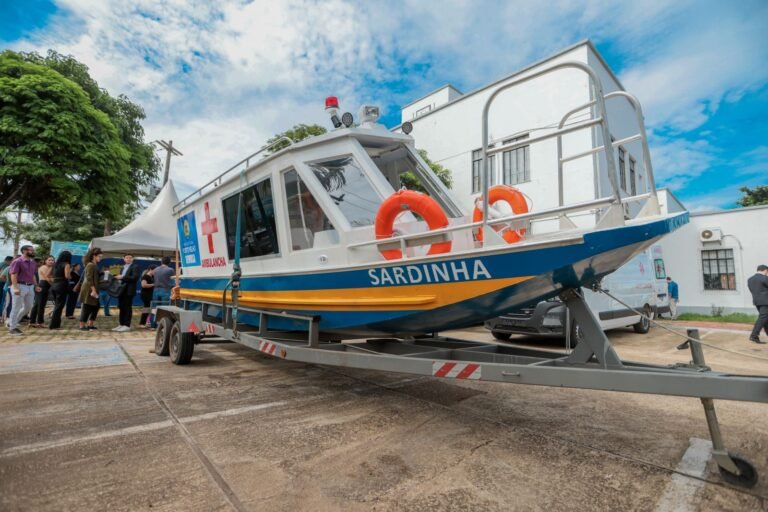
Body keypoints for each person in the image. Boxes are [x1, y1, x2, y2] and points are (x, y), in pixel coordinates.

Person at [7, 245, 39, 336]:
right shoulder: (17, 261)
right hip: (20, 285)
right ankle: (12, 328)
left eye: (33, 250)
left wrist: (36, 285)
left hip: (30, 286)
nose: (33, 252)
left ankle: (11, 322)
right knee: (16, 307)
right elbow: (13, 275)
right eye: (31, 250)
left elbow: (33, 275)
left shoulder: (32, 262)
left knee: (28, 307)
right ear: (24, 251)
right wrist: (16, 287)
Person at [79, 248, 103, 331]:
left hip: (93, 288)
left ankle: (90, 324)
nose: (100, 258)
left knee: (96, 306)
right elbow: (89, 278)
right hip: (89, 288)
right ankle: (82, 325)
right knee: (87, 307)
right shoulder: (90, 265)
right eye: (99, 256)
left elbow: (94, 277)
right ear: (94, 256)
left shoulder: (94, 265)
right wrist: (93, 290)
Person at [114, 254, 140, 332]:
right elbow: (119, 277)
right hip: (121, 290)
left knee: (127, 307)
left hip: (129, 290)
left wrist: (122, 277)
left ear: (133, 259)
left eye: (130, 258)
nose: (128, 259)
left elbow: (135, 277)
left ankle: (127, 325)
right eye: (127, 258)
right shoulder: (122, 267)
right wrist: (117, 278)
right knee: (121, 307)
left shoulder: (135, 267)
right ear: (124, 259)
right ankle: (121, 324)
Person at [48, 251, 72, 329]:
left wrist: (54, 280)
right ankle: (54, 325)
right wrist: (70, 276)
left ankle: (56, 324)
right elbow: (67, 276)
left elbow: (48, 275)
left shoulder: (55, 264)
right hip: (62, 285)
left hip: (54, 285)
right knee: (59, 306)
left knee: (57, 305)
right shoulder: (66, 264)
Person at [29, 255, 54, 327]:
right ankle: (40, 322)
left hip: (45, 286)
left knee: (37, 305)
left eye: (52, 260)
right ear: (45, 261)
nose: (51, 261)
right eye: (49, 260)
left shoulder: (49, 268)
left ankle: (32, 321)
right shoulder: (44, 267)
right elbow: (47, 278)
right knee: (40, 305)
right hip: (42, 286)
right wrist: (53, 285)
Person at [747, 264, 768, 344]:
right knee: (763, 318)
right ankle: (754, 335)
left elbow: (752, 290)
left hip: (757, 301)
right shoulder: (765, 278)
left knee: (765, 319)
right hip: (766, 302)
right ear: (765, 270)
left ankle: (755, 336)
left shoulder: (750, 279)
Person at [151, 257, 174, 327]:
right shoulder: (170, 270)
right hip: (165, 290)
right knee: (165, 308)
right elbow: (173, 280)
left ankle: (153, 325)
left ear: (161, 262)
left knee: (154, 308)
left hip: (155, 290)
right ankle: (164, 325)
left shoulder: (155, 269)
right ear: (169, 262)